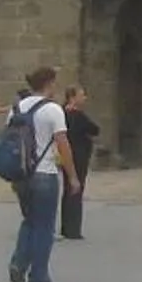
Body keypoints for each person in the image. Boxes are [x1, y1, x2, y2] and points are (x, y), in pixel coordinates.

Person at [4, 66, 76, 282]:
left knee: (30, 220)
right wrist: (72, 176)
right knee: (44, 226)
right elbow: (62, 143)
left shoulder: (16, 108)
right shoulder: (53, 110)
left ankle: (19, 262)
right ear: (49, 83)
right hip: (45, 174)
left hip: (23, 174)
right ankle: (39, 277)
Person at [58, 85, 101, 239]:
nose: (84, 98)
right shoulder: (77, 115)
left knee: (67, 189)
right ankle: (73, 229)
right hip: (79, 156)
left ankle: (66, 226)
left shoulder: (61, 113)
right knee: (76, 189)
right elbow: (95, 129)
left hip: (65, 156)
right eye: (81, 95)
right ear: (72, 98)